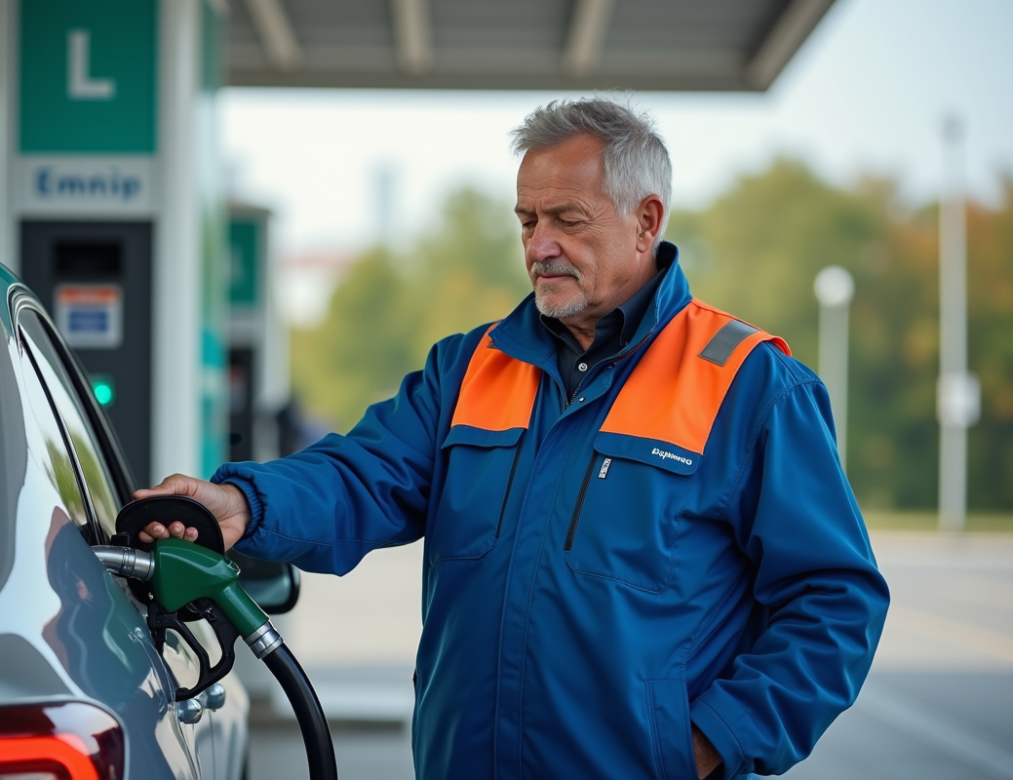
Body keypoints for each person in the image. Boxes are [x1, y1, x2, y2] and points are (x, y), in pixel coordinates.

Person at [138, 97, 889, 780]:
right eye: (528, 221)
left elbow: (835, 600)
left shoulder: (748, 385)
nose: (540, 246)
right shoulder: (470, 367)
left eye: (568, 219)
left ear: (647, 220)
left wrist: (714, 740)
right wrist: (243, 502)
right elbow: (360, 475)